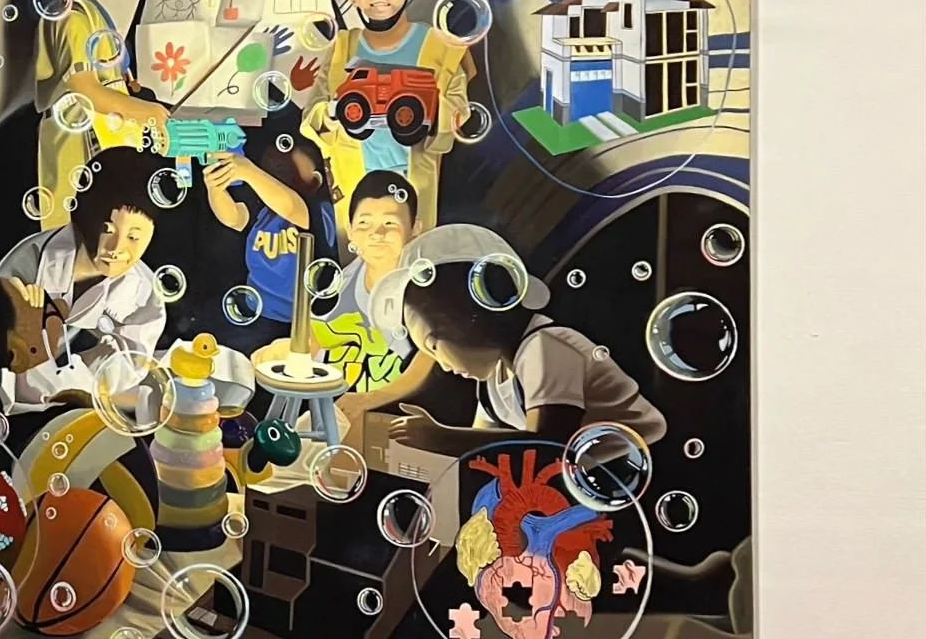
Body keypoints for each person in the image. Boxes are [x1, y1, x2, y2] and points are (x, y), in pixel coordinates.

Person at [368, 222, 668, 453]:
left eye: (434, 345)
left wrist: (442, 437)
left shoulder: (547, 347)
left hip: (640, 462)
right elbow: (481, 448)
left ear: (470, 315)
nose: (442, 365)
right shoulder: (493, 379)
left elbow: (548, 445)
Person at [302, 0, 470, 231]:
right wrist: (333, 113)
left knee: (413, 256)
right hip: (354, 190)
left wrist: (431, 113)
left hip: (415, 189)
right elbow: (311, 119)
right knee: (361, 258)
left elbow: (459, 115)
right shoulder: (342, 48)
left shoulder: (439, 46)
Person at [0, 145, 165, 403]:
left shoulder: (145, 292)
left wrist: (72, 380)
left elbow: (128, 365)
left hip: (75, 401)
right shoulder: (28, 265)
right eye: (107, 229)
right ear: (83, 219)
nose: (116, 249)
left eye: (133, 237)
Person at [33, 0, 168, 226]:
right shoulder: (71, 16)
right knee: (76, 227)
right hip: (79, 141)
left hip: (104, 145)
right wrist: (145, 111)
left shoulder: (89, 15)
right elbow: (83, 88)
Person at [201, 128, 337, 353]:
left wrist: (248, 171)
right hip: (257, 311)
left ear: (316, 180)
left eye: (292, 161)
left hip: (301, 322)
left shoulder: (319, 208)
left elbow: (292, 207)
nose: (281, 162)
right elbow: (234, 218)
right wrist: (215, 188)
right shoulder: (264, 209)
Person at [318, 171, 439, 422]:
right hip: (341, 411)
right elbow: (314, 343)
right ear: (350, 230)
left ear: (415, 229)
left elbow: (429, 359)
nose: (377, 234)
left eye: (390, 223)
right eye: (364, 223)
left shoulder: (428, 288)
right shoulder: (339, 285)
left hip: (407, 415)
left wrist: (370, 399)